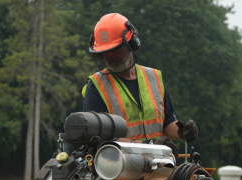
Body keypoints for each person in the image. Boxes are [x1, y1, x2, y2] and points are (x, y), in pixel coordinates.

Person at [82, 13, 197, 145]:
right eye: (105, 51)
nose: (110, 56)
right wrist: (149, 145)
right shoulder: (96, 86)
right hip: (118, 164)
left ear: (132, 44)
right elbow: (100, 138)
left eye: (115, 49)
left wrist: (181, 132)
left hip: (158, 163)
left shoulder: (154, 77)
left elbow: (167, 122)